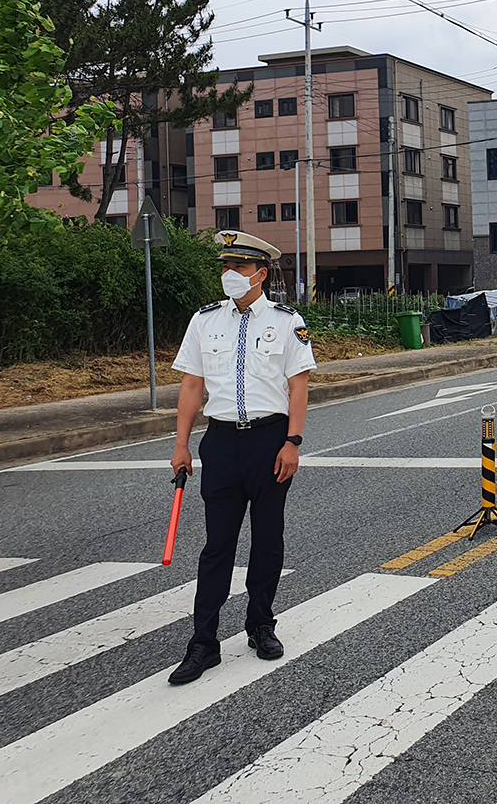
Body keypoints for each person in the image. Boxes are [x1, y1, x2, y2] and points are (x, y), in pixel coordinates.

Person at [166, 231, 316, 685]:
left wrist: (293, 442)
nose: (230, 274)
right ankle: (203, 643)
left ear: (261, 273)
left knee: (267, 540)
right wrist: (181, 444)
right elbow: (191, 385)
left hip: (270, 443)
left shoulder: (287, 321)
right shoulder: (205, 320)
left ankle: (261, 624)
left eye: (241, 267)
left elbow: (298, 386)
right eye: (226, 267)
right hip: (221, 443)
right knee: (217, 546)